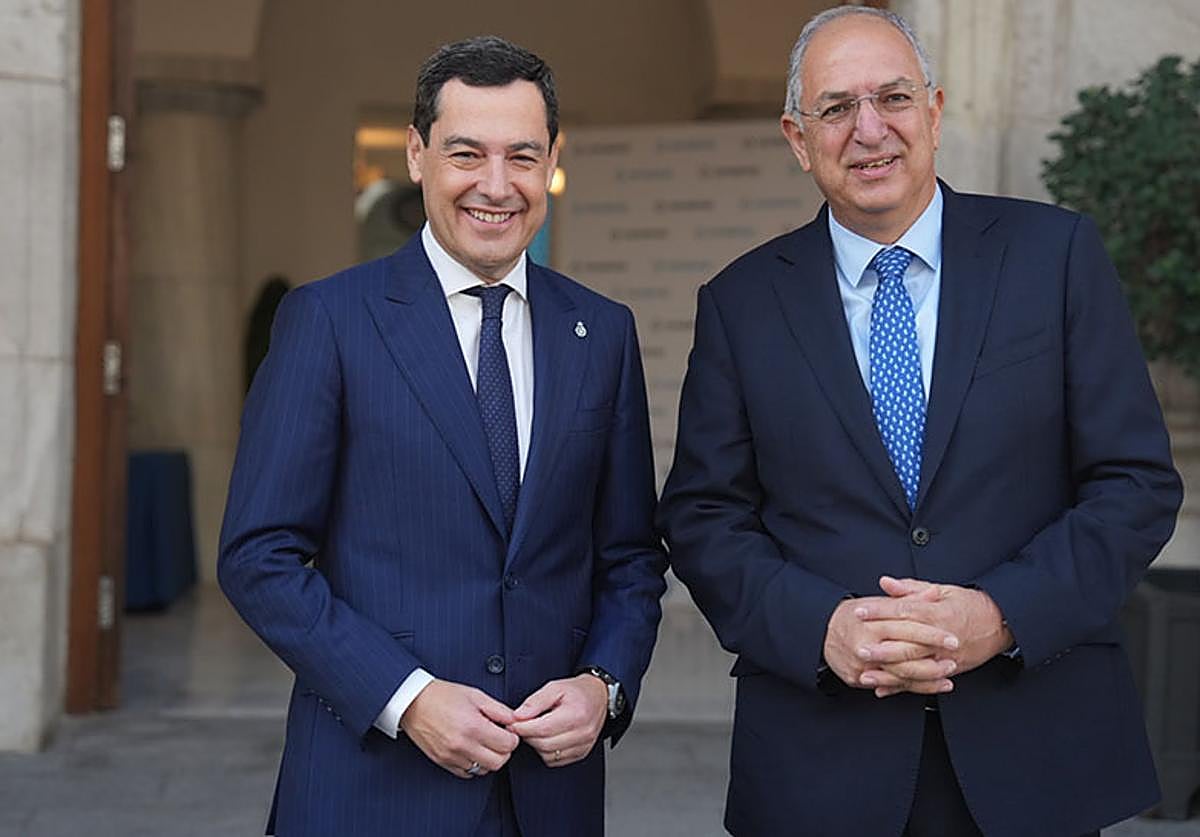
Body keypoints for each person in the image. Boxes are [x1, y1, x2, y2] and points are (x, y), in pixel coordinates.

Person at [656, 7, 1182, 837]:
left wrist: (1003, 612)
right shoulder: (740, 304)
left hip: (1033, 748)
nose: (870, 130)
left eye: (893, 98)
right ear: (798, 138)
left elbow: (1135, 484)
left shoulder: (1057, 257)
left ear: (934, 111)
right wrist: (821, 628)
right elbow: (702, 515)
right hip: (822, 760)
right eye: (836, 108)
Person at [219, 36, 666, 837]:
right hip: (371, 789)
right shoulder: (329, 321)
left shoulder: (601, 331)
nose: (496, 186)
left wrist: (605, 683)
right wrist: (408, 696)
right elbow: (260, 556)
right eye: (467, 153)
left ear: (554, 160)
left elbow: (630, 556)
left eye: (523, 157)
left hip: (550, 797)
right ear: (418, 154)